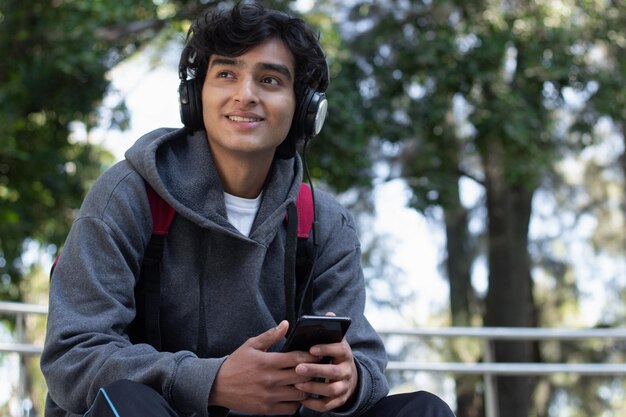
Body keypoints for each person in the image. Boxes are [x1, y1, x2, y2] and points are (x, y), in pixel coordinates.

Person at [40, 3, 456, 417]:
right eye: (226, 74)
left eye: (270, 79)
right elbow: (73, 356)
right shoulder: (127, 195)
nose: (246, 94)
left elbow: (365, 361)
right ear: (194, 96)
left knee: (424, 409)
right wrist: (213, 382)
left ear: (305, 109)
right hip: (156, 411)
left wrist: (351, 381)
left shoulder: (323, 222)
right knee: (128, 402)